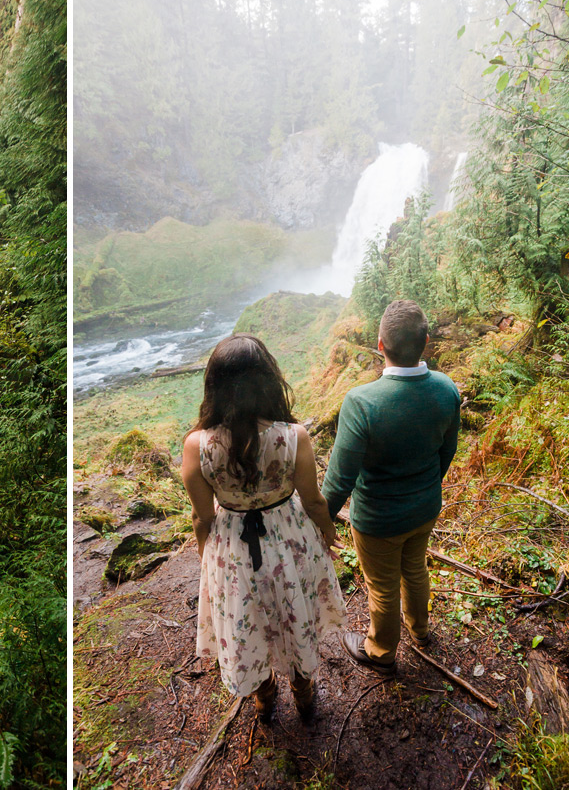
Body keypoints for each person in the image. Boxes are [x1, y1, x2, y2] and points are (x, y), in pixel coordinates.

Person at [182, 334, 346, 721]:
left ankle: (264, 692)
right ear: (269, 380)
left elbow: (202, 516)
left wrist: (205, 549)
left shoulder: (197, 446)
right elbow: (313, 501)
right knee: (293, 608)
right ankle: (303, 690)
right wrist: (327, 532)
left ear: (214, 386)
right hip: (290, 538)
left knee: (247, 620)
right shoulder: (293, 437)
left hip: (233, 547)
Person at [322, 300, 461, 673]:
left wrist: (319, 519)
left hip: (379, 521)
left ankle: (381, 651)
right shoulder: (447, 389)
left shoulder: (362, 402)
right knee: (415, 569)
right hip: (425, 508)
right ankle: (421, 630)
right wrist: (425, 487)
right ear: (426, 342)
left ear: (380, 345)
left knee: (382, 587)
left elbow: (339, 479)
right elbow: (447, 451)